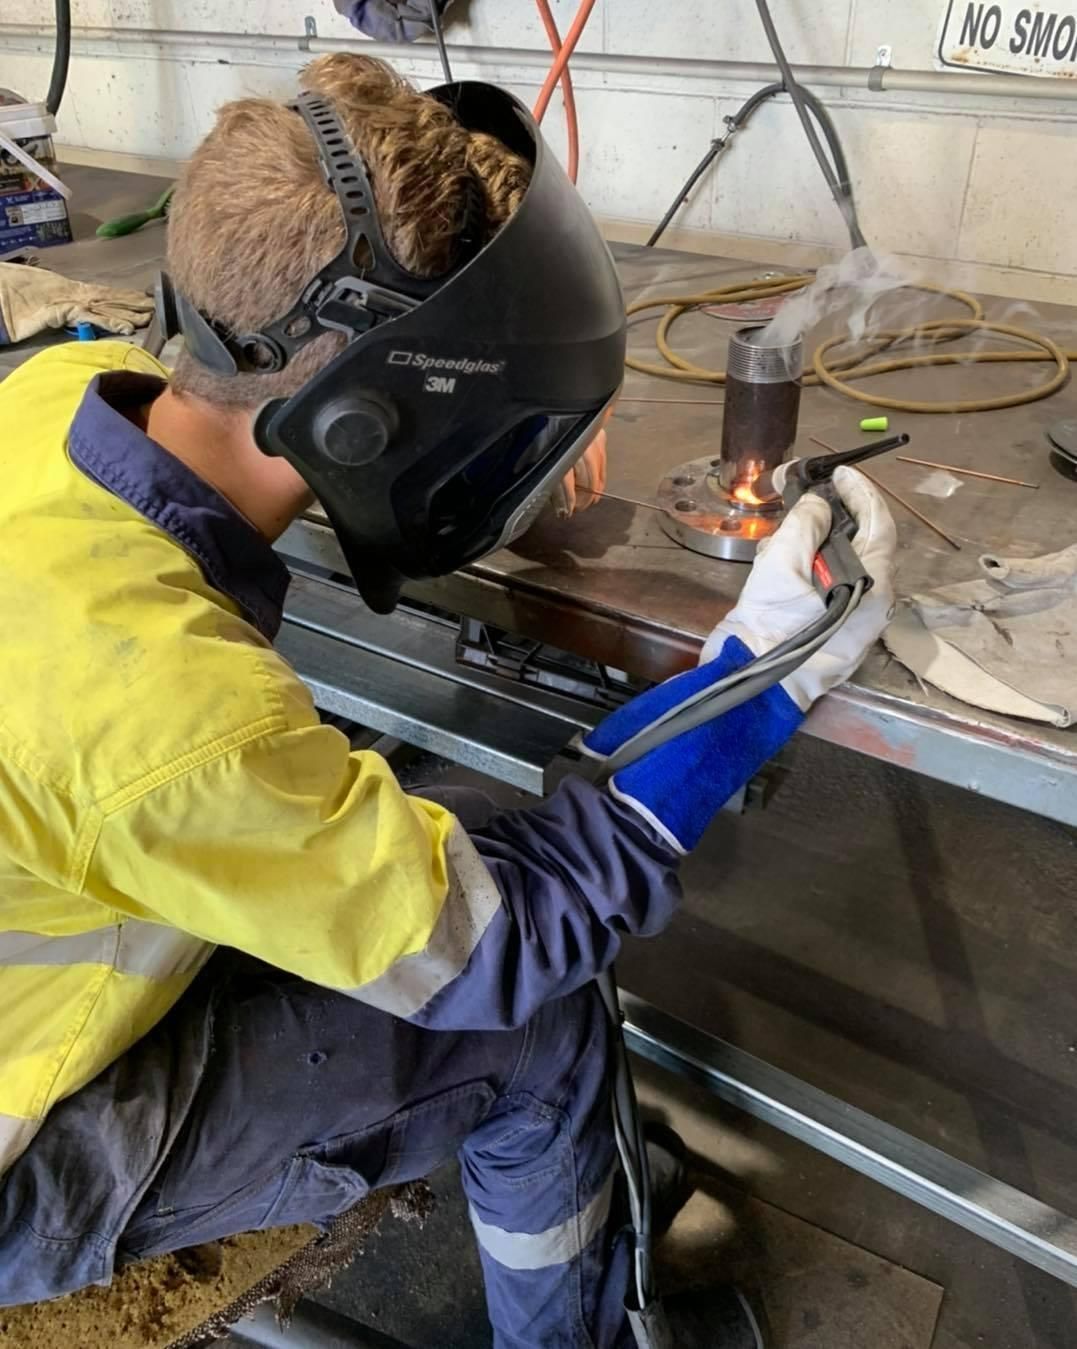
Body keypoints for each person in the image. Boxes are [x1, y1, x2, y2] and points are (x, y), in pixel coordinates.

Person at [0, 53, 897, 1348]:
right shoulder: (176, 718)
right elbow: (495, 944)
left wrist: (493, 439)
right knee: (536, 1014)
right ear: (357, 418)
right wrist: (758, 675)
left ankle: (577, 1176)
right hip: (33, 1139)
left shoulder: (45, 401)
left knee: (458, 812)